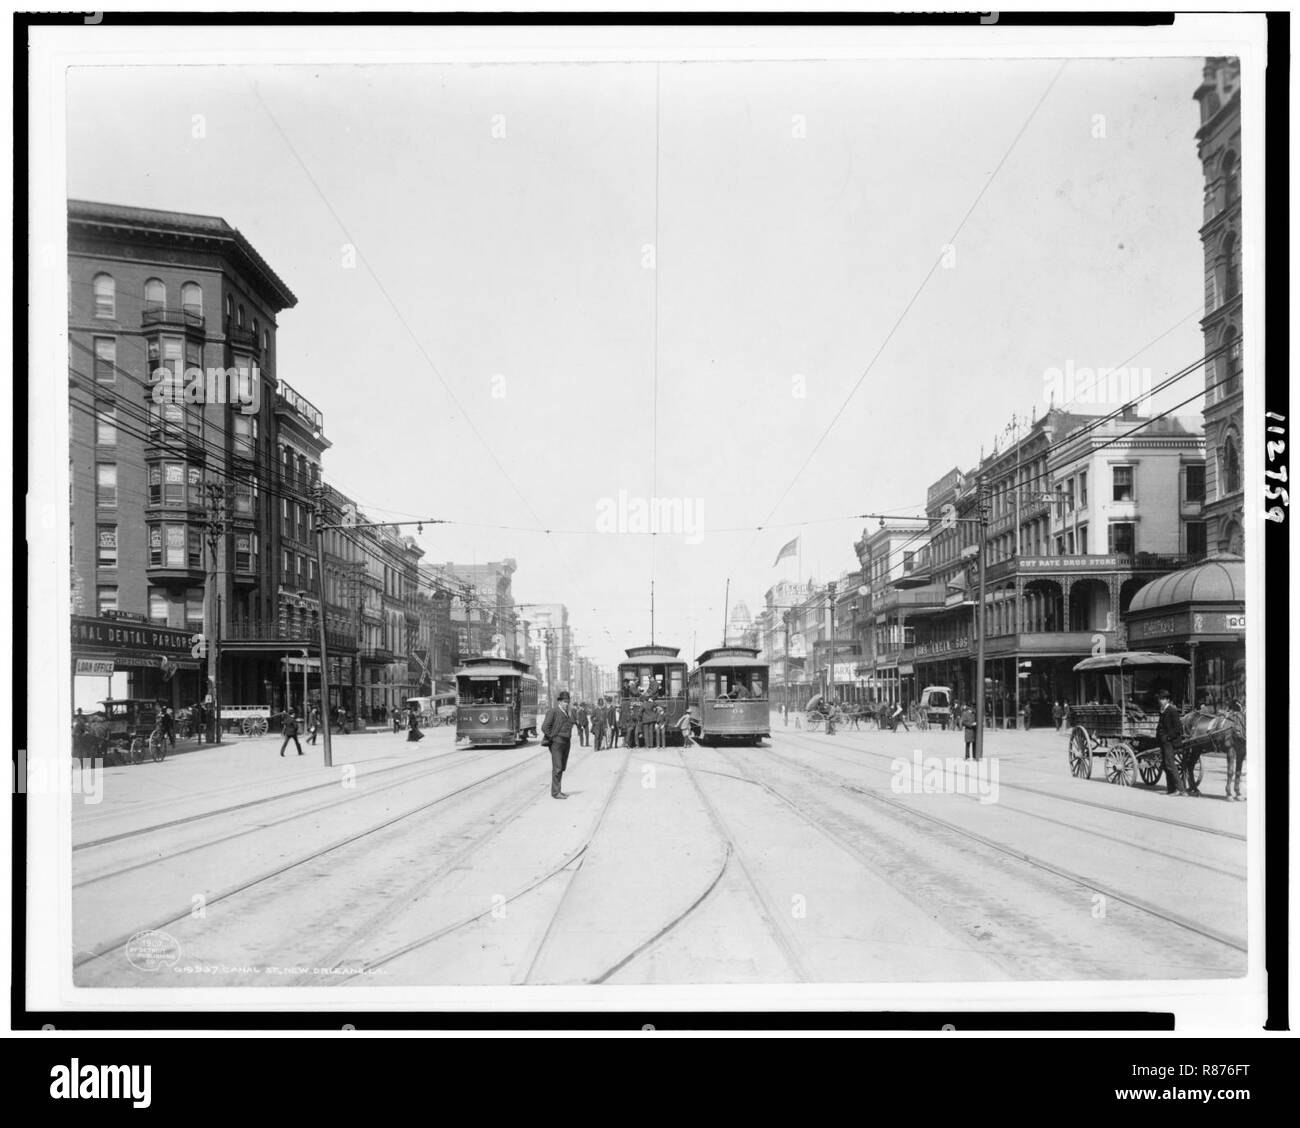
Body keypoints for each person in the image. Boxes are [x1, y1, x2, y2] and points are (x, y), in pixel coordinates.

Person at [541, 691, 577, 799]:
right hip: (557, 743)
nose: (567, 704)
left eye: (568, 702)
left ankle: (558, 791)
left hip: (566, 742)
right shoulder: (553, 711)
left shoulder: (567, 712)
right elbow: (544, 727)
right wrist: (553, 737)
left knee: (561, 767)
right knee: (557, 767)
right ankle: (556, 793)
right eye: (565, 702)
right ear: (560, 702)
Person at [1156, 689, 1192, 797]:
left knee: (1170, 765)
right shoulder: (1163, 710)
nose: (1161, 701)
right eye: (1160, 699)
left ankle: (1181, 789)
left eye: (1163, 699)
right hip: (1163, 742)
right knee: (1166, 765)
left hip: (1170, 742)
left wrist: (1167, 737)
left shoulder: (1172, 710)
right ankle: (1171, 789)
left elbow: (1178, 729)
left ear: (1167, 700)